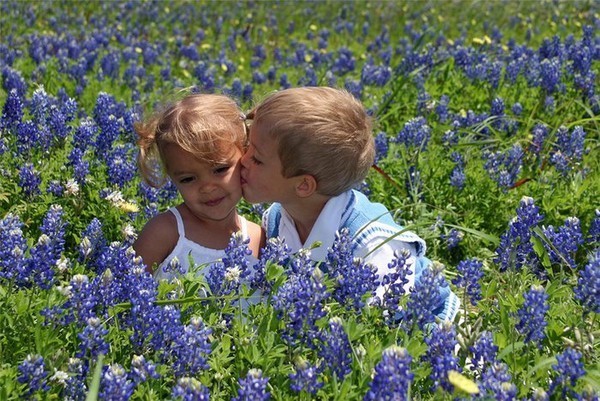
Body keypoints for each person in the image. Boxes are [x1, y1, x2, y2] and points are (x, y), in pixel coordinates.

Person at [240, 86, 459, 322]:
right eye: (247, 146)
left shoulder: (373, 243)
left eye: (257, 159)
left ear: (303, 185)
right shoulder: (276, 219)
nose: (242, 159)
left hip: (431, 333)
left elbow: (384, 323)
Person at [133, 93, 265, 280]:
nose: (207, 187)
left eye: (220, 169)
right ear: (172, 177)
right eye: (188, 179)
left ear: (245, 155)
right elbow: (122, 295)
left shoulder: (259, 238)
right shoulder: (163, 233)